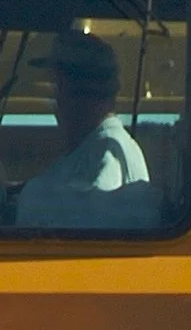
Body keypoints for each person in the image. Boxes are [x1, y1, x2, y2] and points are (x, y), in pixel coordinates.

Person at [13, 28, 154, 228]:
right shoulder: (87, 150)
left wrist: (30, 196)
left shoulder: (107, 153)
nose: (55, 99)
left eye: (57, 85)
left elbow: (91, 225)